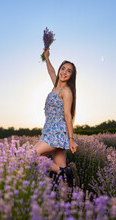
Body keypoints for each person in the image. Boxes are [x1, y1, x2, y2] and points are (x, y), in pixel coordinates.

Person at [34, 48, 80, 187]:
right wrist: (47, 57)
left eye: (69, 71)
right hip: (49, 130)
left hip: (57, 133)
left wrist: (71, 139)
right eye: (63, 68)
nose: (64, 72)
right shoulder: (56, 87)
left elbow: (67, 115)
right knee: (62, 180)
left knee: (30, 154)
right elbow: (51, 72)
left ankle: (63, 171)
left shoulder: (66, 91)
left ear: (72, 76)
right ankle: (65, 205)